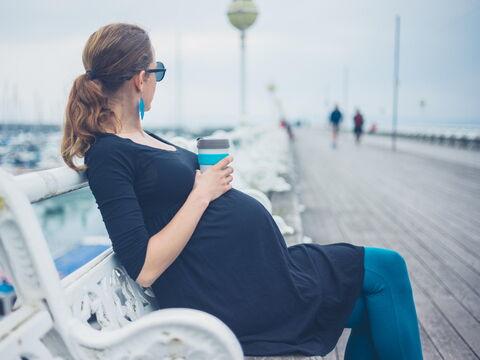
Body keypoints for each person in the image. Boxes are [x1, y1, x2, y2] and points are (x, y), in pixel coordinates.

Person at [61, 23, 423, 359]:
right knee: (385, 276)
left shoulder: (140, 137)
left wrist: (211, 181)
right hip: (226, 295)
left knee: (381, 285)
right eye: (158, 73)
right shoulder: (108, 155)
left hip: (257, 271)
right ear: (141, 79)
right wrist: (202, 192)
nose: (157, 82)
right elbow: (143, 267)